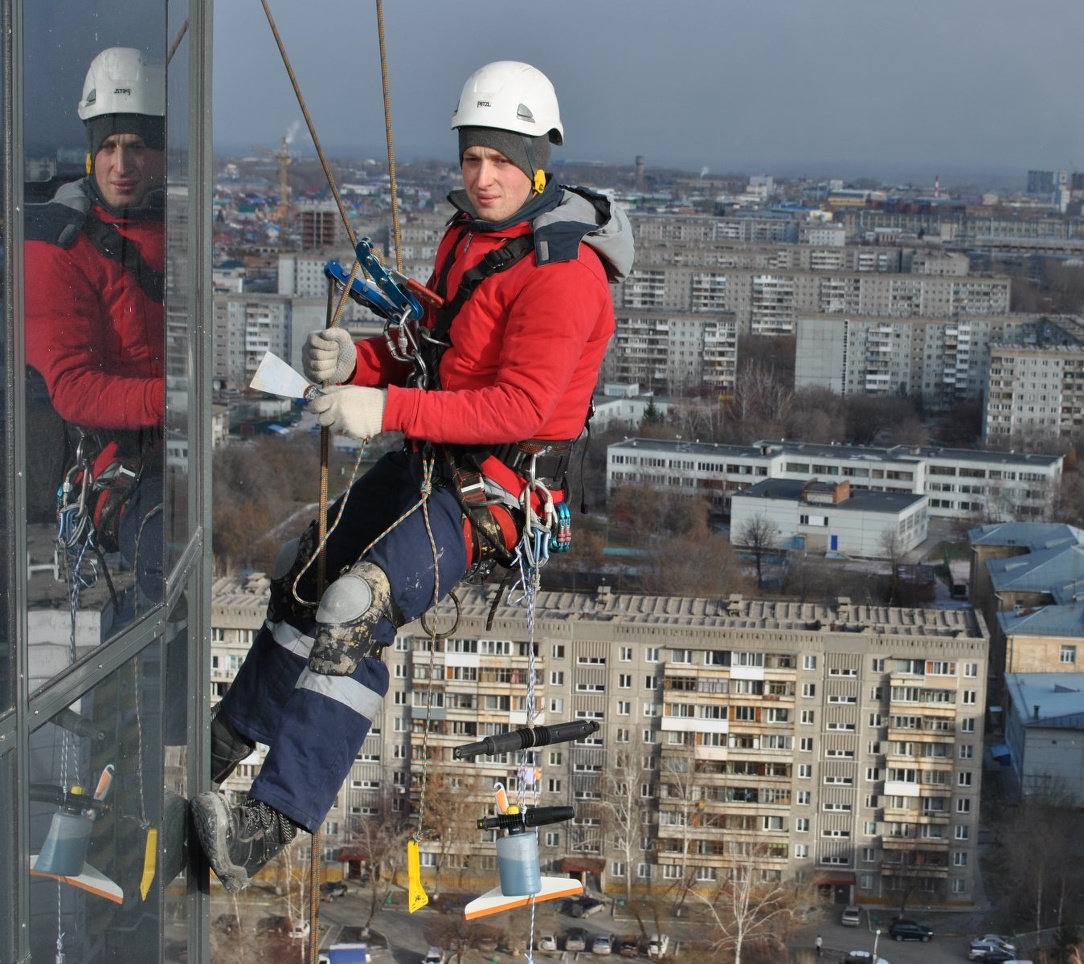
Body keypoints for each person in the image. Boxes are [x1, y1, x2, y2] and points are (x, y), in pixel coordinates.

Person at [192, 60, 633, 892]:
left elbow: (516, 409)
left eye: (501, 159)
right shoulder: (472, 235)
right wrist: (357, 359)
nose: (483, 175)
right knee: (308, 580)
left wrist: (383, 407)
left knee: (356, 611)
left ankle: (267, 823)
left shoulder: (563, 273)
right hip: (432, 455)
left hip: (488, 495)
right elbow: (440, 345)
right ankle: (225, 743)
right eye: (473, 157)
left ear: (539, 161)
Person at [25, 47, 167, 607]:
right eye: (107, 147)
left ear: (160, 153)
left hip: (166, 442)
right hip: (113, 461)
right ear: (90, 153)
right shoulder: (59, 244)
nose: (120, 164)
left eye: (136, 147)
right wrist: (177, 401)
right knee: (168, 560)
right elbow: (74, 388)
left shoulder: (171, 223)